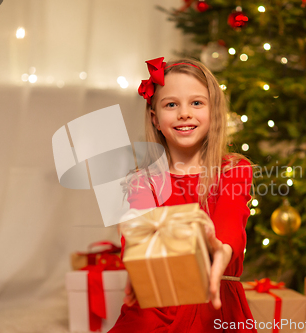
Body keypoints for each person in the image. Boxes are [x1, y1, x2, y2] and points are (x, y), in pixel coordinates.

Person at [109, 57, 257, 333]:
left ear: (214, 113)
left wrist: (219, 253)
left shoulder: (233, 169)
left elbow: (230, 224)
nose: (184, 113)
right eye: (171, 104)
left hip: (215, 307)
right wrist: (133, 235)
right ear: (155, 119)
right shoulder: (144, 180)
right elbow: (137, 230)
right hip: (159, 306)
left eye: (196, 103)